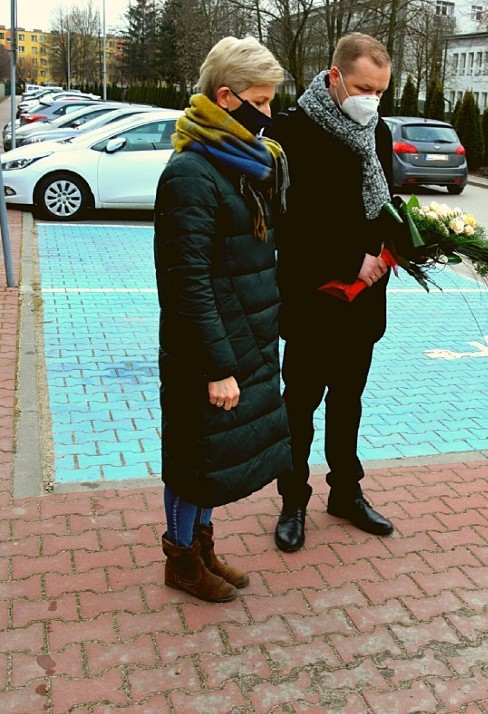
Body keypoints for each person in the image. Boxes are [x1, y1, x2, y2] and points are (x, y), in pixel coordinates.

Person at [154, 36, 291, 601]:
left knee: (210, 457)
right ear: (228, 98)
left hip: (242, 338)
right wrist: (217, 365)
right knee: (191, 458)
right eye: (260, 102)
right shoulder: (191, 172)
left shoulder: (237, 163)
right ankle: (180, 560)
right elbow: (185, 284)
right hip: (208, 349)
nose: (269, 114)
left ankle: (202, 546)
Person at [266, 33, 403, 552]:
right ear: (335, 77)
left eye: (381, 90)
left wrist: (396, 248)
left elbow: (384, 204)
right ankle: (292, 501)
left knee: (349, 401)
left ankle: (345, 493)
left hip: (364, 300)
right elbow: (292, 223)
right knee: (299, 405)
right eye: (364, 87)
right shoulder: (292, 133)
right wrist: (352, 261)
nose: (371, 99)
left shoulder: (379, 132)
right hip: (312, 299)